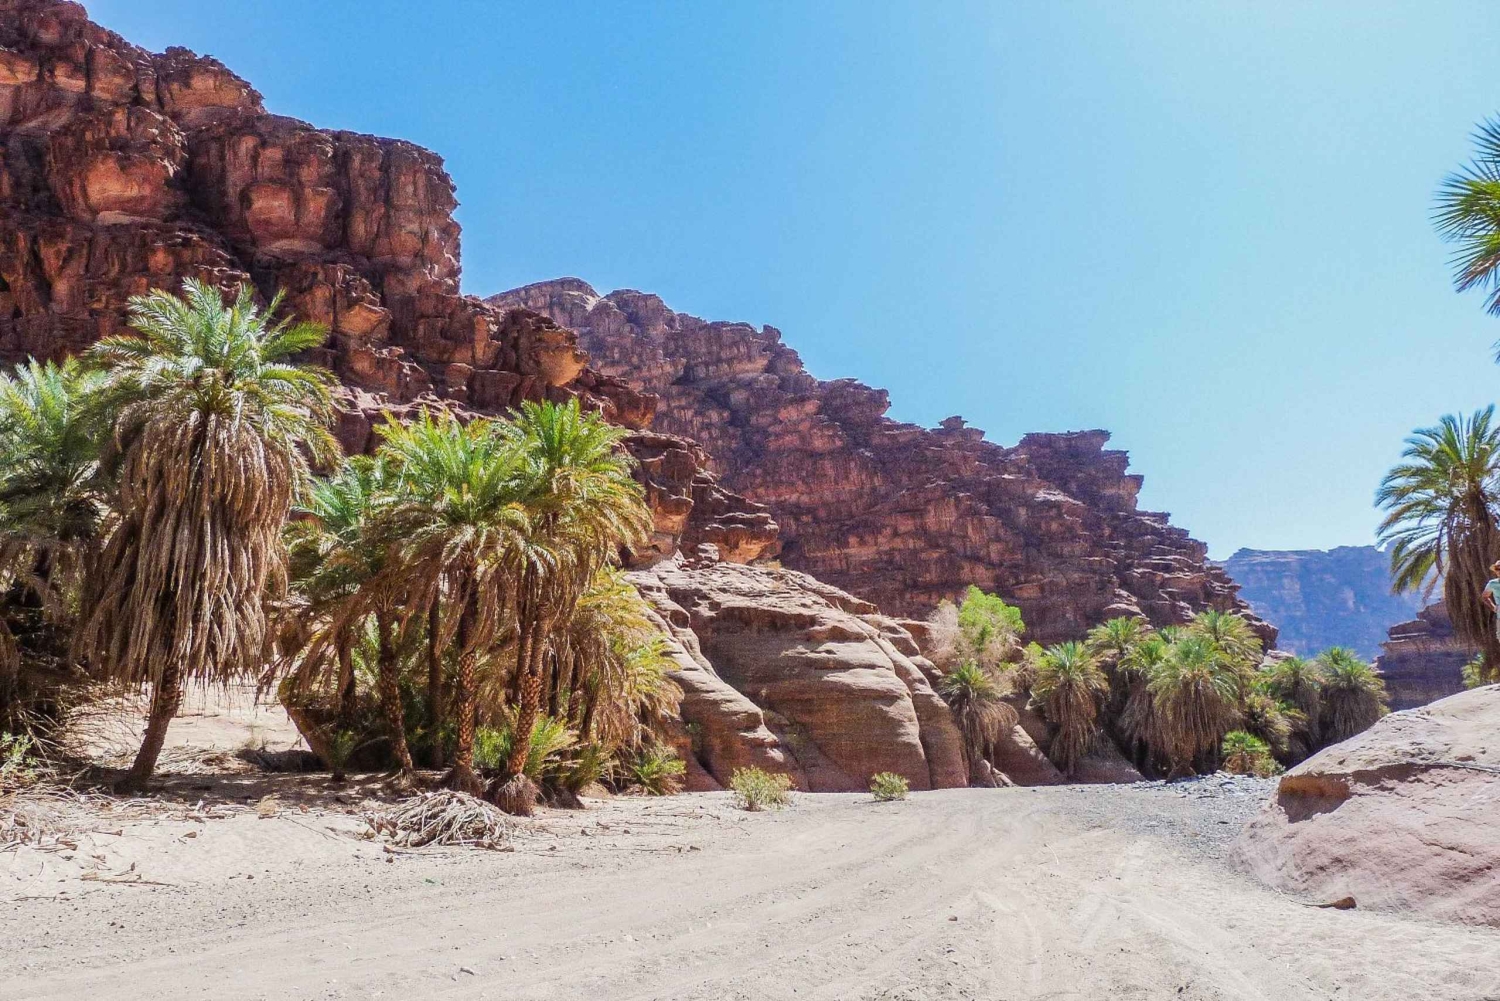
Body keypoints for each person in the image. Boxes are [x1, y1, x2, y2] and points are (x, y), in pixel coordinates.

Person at [1483, 561, 1500, 641]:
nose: (1499, 571)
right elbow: (1485, 596)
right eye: (1497, 569)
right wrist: (1494, 608)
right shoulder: (1492, 583)